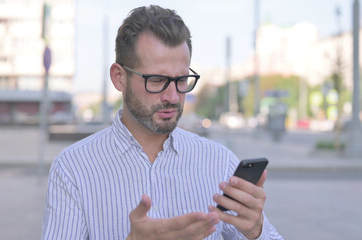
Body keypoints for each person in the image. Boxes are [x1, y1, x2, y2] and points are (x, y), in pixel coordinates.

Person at [43, 5, 283, 240]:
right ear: (119, 78)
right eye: (156, 80)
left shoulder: (221, 164)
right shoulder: (73, 169)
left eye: (181, 80)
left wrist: (256, 232)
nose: (173, 97)